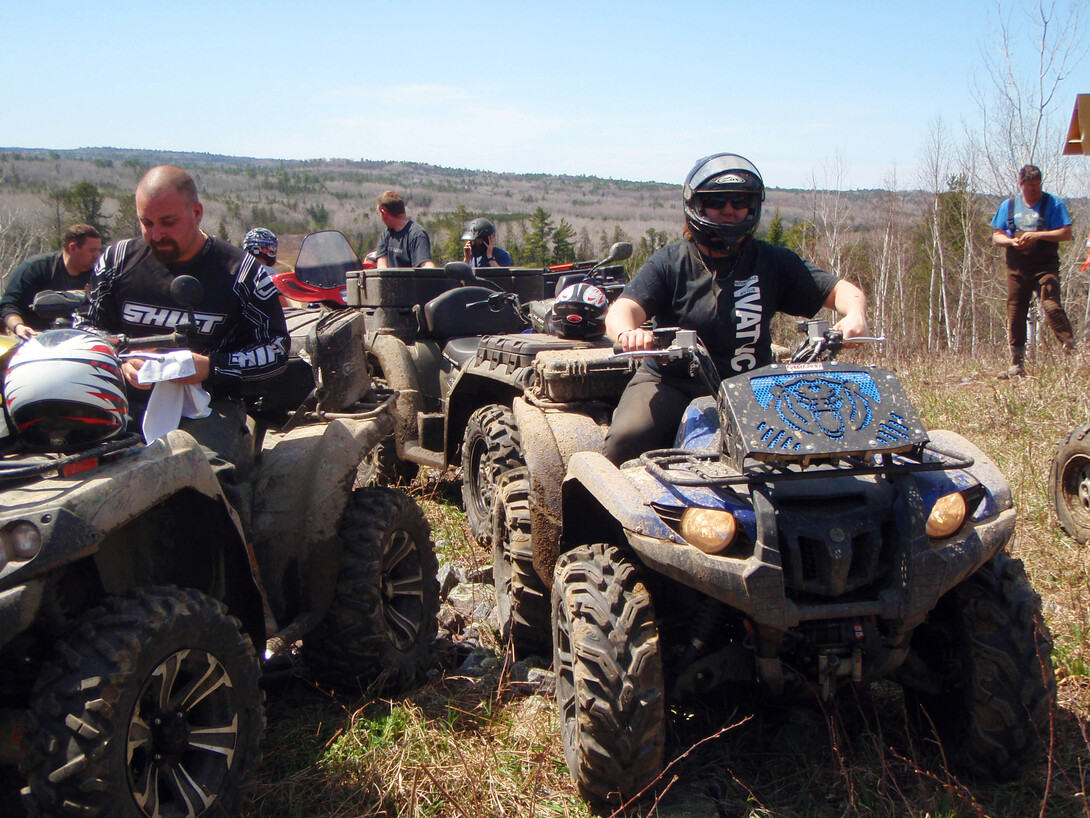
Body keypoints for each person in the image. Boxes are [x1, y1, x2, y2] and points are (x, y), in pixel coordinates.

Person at [603, 153, 868, 466]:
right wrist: (627, 333)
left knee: (824, 450)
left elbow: (842, 291)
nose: (729, 209)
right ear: (696, 205)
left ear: (751, 206)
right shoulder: (671, 262)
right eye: (717, 201)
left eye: (739, 201)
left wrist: (855, 315)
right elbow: (623, 309)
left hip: (753, 386)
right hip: (674, 383)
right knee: (629, 437)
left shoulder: (772, 261)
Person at [85, 165, 289, 477]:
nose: (156, 234)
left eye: (168, 222)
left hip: (210, 405)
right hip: (122, 399)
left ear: (196, 212)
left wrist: (210, 367)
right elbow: (85, 328)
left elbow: (276, 350)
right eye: (146, 223)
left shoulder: (243, 273)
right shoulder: (116, 262)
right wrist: (120, 359)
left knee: (198, 477)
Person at [990, 164, 1076, 377]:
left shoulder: (1053, 203)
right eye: (1030, 186)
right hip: (1017, 267)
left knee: (1050, 303)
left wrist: (1037, 235)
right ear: (1021, 185)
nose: (1035, 190)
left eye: (1038, 185)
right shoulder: (1009, 206)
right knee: (1015, 310)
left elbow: (1066, 233)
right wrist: (1011, 241)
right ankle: (1017, 362)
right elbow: (996, 236)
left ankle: (1070, 349)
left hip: (1045, 265)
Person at [2, 224, 103, 339]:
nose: (97, 256)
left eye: (98, 250)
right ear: (73, 247)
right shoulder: (35, 268)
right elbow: (9, 305)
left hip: (82, 341)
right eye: (92, 250)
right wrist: (19, 327)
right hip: (34, 340)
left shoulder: (98, 276)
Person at [374, 190, 435, 268]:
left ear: (384, 213)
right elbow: (381, 264)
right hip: (390, 280)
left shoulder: (417, 235)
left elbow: (426, 265)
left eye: (380, 213)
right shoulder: (387, 234)